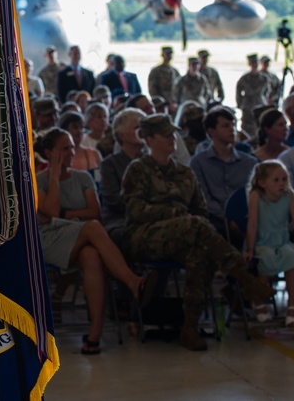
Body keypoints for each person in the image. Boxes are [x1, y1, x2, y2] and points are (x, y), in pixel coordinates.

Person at [122, 114, 273, 351]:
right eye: (166, 135)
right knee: (195, 227)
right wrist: (174, 213)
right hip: (145, 235)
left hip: (186, 234)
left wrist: (186, 220)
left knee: (200, 254)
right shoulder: (138, 169)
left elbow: (200, 210)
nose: (173, 138)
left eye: (173, 133)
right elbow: (136, 210)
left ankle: (190, 327)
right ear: (150, 139)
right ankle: (244, 277)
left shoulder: (184, 172)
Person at [35, 128, 154, 354]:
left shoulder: (83, 177)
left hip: (78, 234)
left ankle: (94, 334)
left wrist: (64, 213)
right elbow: (50, 212)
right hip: (49, 237)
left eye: (72, 146)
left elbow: (94, 211)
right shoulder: (38, 180)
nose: (71, 152)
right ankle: (133, 282)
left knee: (92, 255)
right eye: (65, 148)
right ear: (50, 153)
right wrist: (54, 175)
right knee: (93, 229)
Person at [245, 161, 294, 327]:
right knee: (266, 258)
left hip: (282, 241)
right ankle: (259, 300)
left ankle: (292, 305)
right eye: (276, 180)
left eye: (284, 179)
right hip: (262, 242)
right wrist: (250, 248)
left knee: (292, 257)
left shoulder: (288, 197)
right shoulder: (256, 196)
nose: (282, 183)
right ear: (262, 183)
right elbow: (252, 224)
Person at [189, 107, 257, 242]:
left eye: (233, 125)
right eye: (226, 126)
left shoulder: (249, 162)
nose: (232, 129)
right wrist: (228, 217)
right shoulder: (198, 162)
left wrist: (241, 218)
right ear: (211, 131)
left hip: (247, 219)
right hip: (214, 220)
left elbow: (256, 194)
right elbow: (203, 198)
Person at [97, 107, 145, 246]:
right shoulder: (110, 164)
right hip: (120, 219)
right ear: (122, 135)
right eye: (137, 128)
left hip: (149, 216)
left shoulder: (150, 160)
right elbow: (113, 199)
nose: (141, 132)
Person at [236, 53, 269, 140]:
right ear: (249, 64)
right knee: (246, 129)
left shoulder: (264, 78)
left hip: (260, 104)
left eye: (256, 63)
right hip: (247, 106)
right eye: (252, 63)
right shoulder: (244, 78)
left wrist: (264, 102)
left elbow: (266, 92)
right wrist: (240, 103)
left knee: (261, 126)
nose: (254, 65)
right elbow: (238, 92)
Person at [148, 46, 180, 114]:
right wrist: (163, 105)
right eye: (167, 54)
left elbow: (179, 89)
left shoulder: (175, 71)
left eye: (171, 54)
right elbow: (152, 90)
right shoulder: (156, 71)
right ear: (162, 55)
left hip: (174, 106)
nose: (169, 56)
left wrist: (176, 103)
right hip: (161, 107)